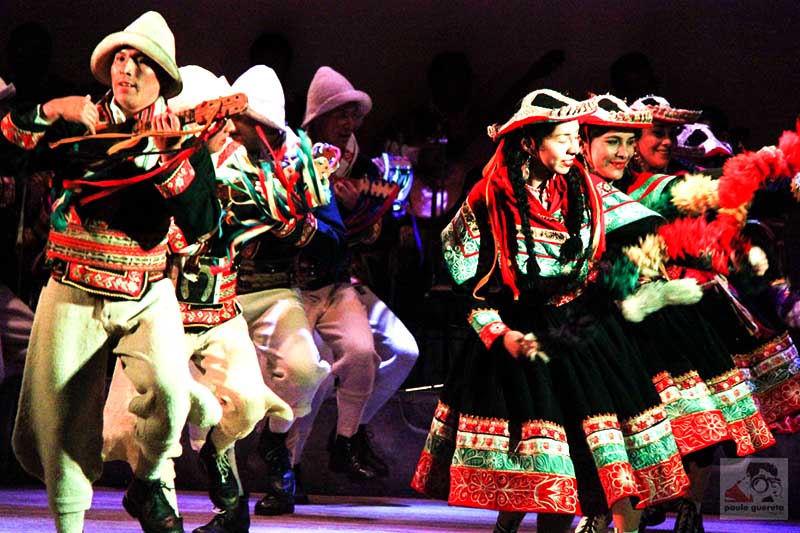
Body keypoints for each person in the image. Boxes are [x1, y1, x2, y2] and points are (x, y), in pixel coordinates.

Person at [412, 89, 692, 533]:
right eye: (565, 139)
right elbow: (467, 286)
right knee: (549, 473)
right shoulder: (490, 199)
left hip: (582, 333)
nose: (575, 148)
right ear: (530, 142)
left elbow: (649, 216)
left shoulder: (584, 189)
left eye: (578, 138)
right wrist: (500, 334)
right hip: (523, 337)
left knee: (615, 463)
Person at [3, 11, 223, 533]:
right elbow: (10, 139)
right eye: (121, 58)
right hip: (74, 282)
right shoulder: (77, 123)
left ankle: (147, 484)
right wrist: (55, 108)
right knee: (60, 416)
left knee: (170, 392)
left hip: (147, 286)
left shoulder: (182, 136)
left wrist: (171, 159)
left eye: (141, 62)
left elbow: (204, 225)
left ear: (162, 79)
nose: (127, 69)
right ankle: (69, 525)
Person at [574, 94, 775, 533]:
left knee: (692, 417)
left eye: (667, 133)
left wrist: (765, 168)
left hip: (677, 307)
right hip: (607, 317)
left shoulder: (662, 189)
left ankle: (685, 506)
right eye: (653, 133)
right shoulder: (592, 189)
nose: (663, 141)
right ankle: (607, 510)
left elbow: (708, 201)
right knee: (613, 425)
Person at [286, 66, 418, 489]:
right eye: (339, 114)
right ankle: (289, 467)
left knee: (403, 350)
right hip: (299, 285)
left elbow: (374, 235)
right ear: (318, 117)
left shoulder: (361, 162)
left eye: (352, 116)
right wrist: (335, 213)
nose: (348, 124)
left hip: (345, 282)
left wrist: (365, 215)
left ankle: (350, 431)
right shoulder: (294, 158)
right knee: (317, 372)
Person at [229, 64, 341, 517]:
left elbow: (333, 236)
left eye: (239, 125)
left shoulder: (305, 163)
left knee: (305, 371)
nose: (231, 132)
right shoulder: (222, 156)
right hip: (223, 294)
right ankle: (227, 498)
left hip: (277, 290)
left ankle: (276, 443)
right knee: (219, 395)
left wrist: (300, 228)